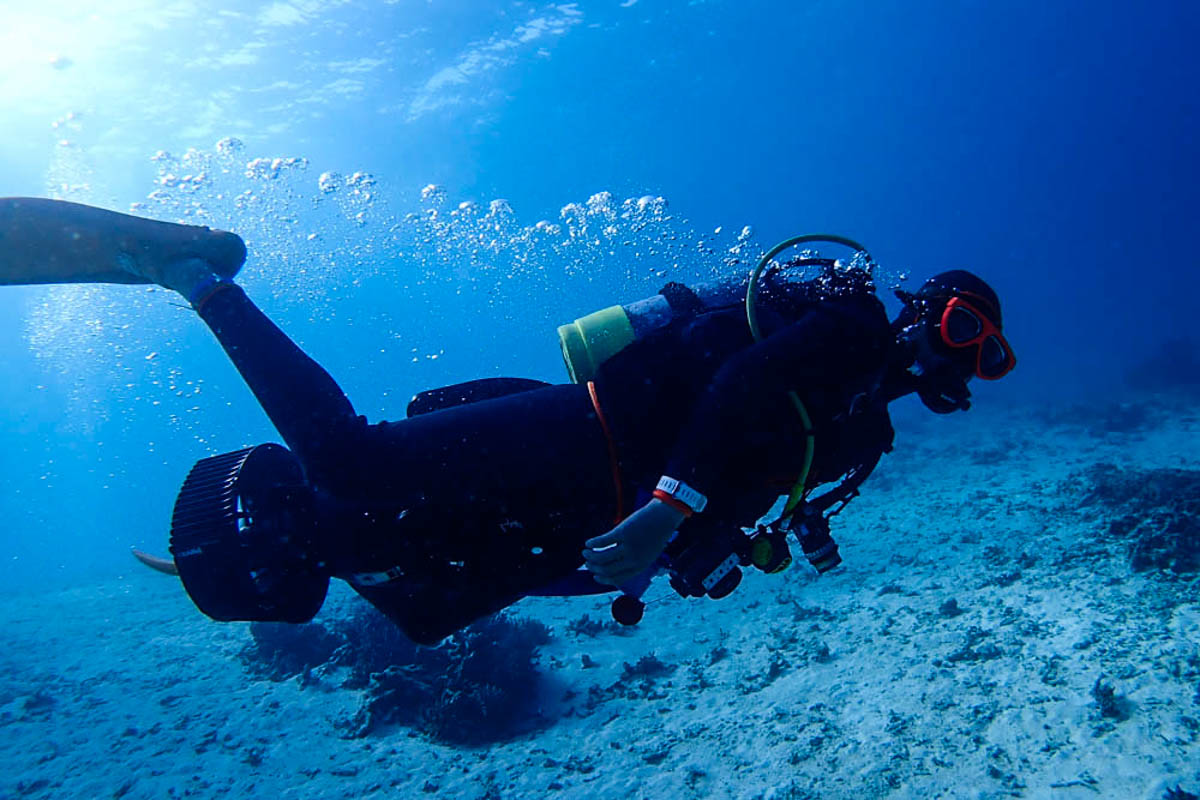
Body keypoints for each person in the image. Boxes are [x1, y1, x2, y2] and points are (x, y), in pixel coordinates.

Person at [1, 198, 1016, 645]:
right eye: (963, 328)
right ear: (925, 308)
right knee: (356, 461)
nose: (961, 357)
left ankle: (244, 540)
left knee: (419, 593)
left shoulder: (869, 431)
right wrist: (673, 507)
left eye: (986, 353)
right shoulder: (846, 323)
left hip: (609, 527)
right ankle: (203, 283)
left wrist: (707, 542)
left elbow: (773, 480)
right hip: (597, 439)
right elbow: (742, 390)